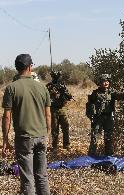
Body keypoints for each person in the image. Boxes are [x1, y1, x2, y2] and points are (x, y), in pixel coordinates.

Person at [2, 54, 51, 194]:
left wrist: (5, 139)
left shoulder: (11, 88)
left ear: (17, 68)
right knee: (42, 176)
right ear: (31, 66)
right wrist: (47, 133)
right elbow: (48, 114)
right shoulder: (42, 88)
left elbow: (6, 117)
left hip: (24, 138)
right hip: (41, 136)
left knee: (27, 178)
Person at [86, 74, 124, 156]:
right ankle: (91, 156)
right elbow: (89, 105)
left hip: (109, 118)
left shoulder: (112, 92)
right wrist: (91, 116)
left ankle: (108, 155)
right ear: (100, 83)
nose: (106, 83)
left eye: (107, 81)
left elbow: (120, 96)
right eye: (104, 81)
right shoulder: (95, 93)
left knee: (108, 137)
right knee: (95, 137)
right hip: (98, 118)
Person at [46, 71, 73, 151]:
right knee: (54, 128)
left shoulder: (62, 85)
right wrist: (52, 92)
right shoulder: (49, 86)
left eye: (57, 76)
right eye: (54, 76)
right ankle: (54, 146)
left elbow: (69, 97)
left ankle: (66, 145)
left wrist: (64, 91)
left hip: (62, 108)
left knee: (66, 126)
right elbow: (45, 97)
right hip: (53, 109)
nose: (56, 77)